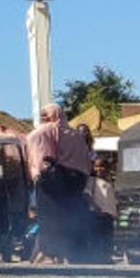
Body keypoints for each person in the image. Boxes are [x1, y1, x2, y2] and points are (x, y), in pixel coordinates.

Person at [24, 103, 92, 265]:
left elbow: (38, 153)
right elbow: (85, 162)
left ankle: (49, 255)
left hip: (51, 182)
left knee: (50, 219)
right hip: (75, 182)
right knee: (71, 218)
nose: (43, 118)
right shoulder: (76, 136)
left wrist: (38, 174)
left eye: (46, 115)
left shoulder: (44, 131)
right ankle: (71, 253)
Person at [85, 155, 118, 264]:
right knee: (96, 236)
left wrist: (115, 213)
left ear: (108, 169)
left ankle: (106, 256)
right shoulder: (92, 180)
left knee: (108, 236)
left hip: (108, 215)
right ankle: (96, 257)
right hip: (97, 214)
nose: (99, 169)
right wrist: (95, 208)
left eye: (103, 166)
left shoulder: (110, 183)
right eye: (97, 166)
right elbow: (87, 195)